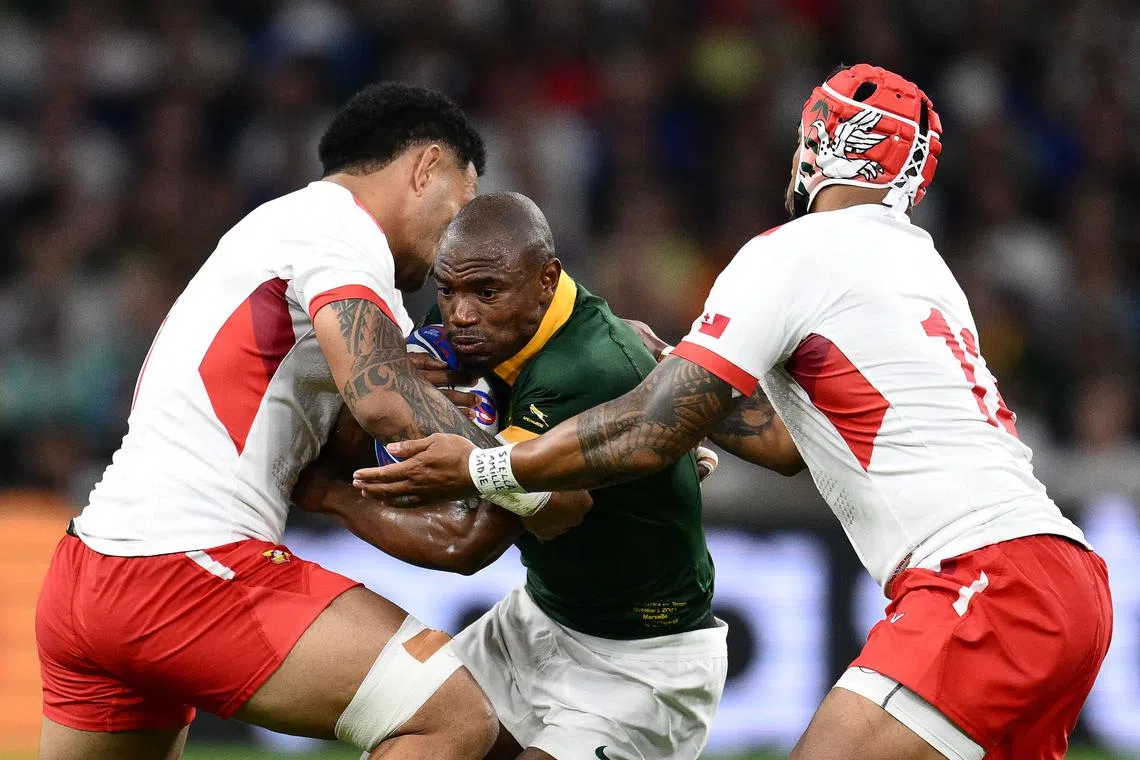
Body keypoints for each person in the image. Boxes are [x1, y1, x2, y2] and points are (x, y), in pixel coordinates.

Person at [353, 65, 1114, 760]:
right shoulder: (923, 265)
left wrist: (485, 462)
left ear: (819, 144)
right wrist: (677, 368)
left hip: (984, 578)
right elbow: (792, 444)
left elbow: (651, 432)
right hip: (1066, 579)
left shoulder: (793, 251)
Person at [34, 82, 518, 760]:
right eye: (463, 207)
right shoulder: (342, 230)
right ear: (426, 166)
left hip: (93, 572)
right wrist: (525, 468)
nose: (457, 242)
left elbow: (447, 528)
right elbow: (385, 399)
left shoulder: (288, 235)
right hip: (185, 565)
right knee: (452, 719)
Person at [295, 191, 800, 760]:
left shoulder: (585, 368)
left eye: (485, 293)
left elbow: (467, 543)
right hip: (536, 621)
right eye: (447, 290)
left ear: (546, 280)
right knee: (411, 745)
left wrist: (326, 494)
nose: (459, 314)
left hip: (641, 664)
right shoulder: (481, 324)